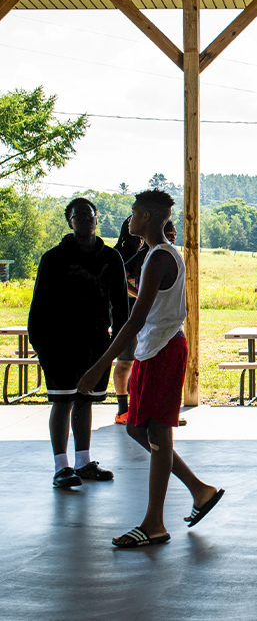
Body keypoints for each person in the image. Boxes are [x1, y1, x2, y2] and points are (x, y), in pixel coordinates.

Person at [77, 189, 222, 548]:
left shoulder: (159, 257)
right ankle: (200, 491)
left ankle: (154, 523)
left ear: (149, 218)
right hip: (153, 349)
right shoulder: (156, 255)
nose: (130, 217)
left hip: (162, 349)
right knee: (137, 431)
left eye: (135, 212)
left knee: (157, 436)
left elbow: (135, 319)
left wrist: (99, 367)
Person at [28, 197, 129, 489]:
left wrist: (115, 347)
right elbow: (40, 305)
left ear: (97, 219)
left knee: (85, 400)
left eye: (90, 216)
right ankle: (62, 467)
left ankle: (83, 463)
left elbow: (121, 308)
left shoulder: (111, 258)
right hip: (59, 343)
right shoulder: (55, 258)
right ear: (70, 221)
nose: (86, 220)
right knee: (62, 401)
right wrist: (40, 344)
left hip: (96, 342)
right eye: (79, 216)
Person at [113, 216, 144, 425]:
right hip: (125, 316)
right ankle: (122, 409)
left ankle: (136, 407)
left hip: (143, 317)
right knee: (125, 362)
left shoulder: (146, 253)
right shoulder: (120, 254)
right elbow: (120, 280)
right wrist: (138, 294)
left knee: (139, 363)